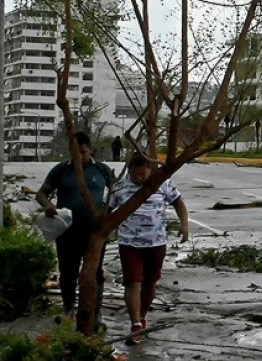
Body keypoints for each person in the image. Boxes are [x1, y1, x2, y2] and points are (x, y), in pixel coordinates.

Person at [108, 151, 189, 345]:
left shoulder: (162, 183)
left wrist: (184, 225)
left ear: (150, 170)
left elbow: (179, 203)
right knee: (132, 283)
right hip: (129, 243)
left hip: (156, 242)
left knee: (150, 283)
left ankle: (142, 316)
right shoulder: (119, 188)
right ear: (130, 170)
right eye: (137, 175)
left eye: (144, 174)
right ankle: (135, 324)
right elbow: (107, 211)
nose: (140, 178)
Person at [35, 131, 116, 325]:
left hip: (94, 232)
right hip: (66, 230)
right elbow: (41, 194)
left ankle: (94, 313)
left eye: (82, 152)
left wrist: (107, 213)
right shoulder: (61, 170)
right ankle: (68, 310)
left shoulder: (102, 170)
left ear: (90, 150)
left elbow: (117, 193)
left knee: (95, 273)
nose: (79, 156)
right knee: (67, 272)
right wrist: (48, 206)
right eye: (74, 152)